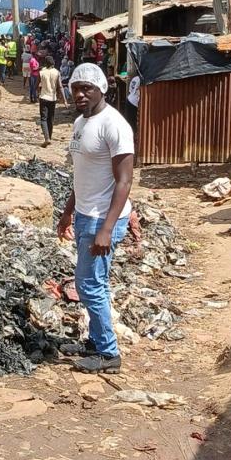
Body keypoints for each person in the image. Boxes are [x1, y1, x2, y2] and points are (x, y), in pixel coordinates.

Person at [57, 63, 134, 374]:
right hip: (85, 215)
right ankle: (95, 339)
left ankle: (108, 353)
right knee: (87, 281)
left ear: (102, 89)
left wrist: (107, 228)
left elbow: (125, 181)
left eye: (87, 88)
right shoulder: (80, 123)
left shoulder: (114, 125)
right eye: (76, 87)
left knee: (90, 284)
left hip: (103, 218)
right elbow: (81, 175)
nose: (80, 93)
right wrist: (67, 211)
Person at [38, 56, 68, 147]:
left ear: (45, 63)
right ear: (53, 63)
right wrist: (64, 100)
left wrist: (37, 93)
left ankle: (47, 138)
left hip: (43, 97)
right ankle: (49, 138)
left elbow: (38, 85)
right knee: (50, 119)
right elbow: (60, 87)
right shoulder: (57, 72)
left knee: (43, 119)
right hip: (52, 98)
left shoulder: (42, 72)